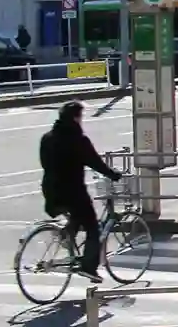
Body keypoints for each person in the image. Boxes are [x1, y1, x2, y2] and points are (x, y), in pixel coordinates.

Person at [39, 101, 120, 283]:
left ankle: (66, 236)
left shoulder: (47, 137)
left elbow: (45, 163)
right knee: (93, 227)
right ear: (76, 118)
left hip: (50, 190)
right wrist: (113, 174)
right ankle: (89, 267)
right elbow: (95, 163)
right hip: (73, 191)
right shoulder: (78, 140)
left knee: (76, 217)